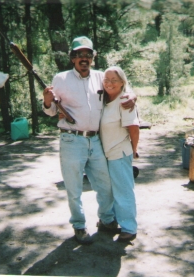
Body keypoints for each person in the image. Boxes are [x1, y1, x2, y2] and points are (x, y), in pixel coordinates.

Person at [42, 36, 136, 244]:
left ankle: (107, 220)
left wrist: (132, 95)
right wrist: (48, 102)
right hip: (71, 140)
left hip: (96, 141)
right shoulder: (61, 78)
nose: (83, 58)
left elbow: (119, 87)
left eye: (88, 55)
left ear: (93, 58)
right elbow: (51, 111)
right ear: (73, 58)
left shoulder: (101, 77)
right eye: (79, 55)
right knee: (74, 188)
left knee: (105, 185)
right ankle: (79, 225)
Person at [100, 66, 139, 242]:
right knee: (110, 189)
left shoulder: (125, 101)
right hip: (106, 152)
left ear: (122, 82)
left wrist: (134, 150)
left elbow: (134, 128)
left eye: (114, 80)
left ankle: (129, 227)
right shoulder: (104, 99)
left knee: (123, 190)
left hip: (119, 151)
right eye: (106, 80)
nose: (109, 83)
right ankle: (112, 219)